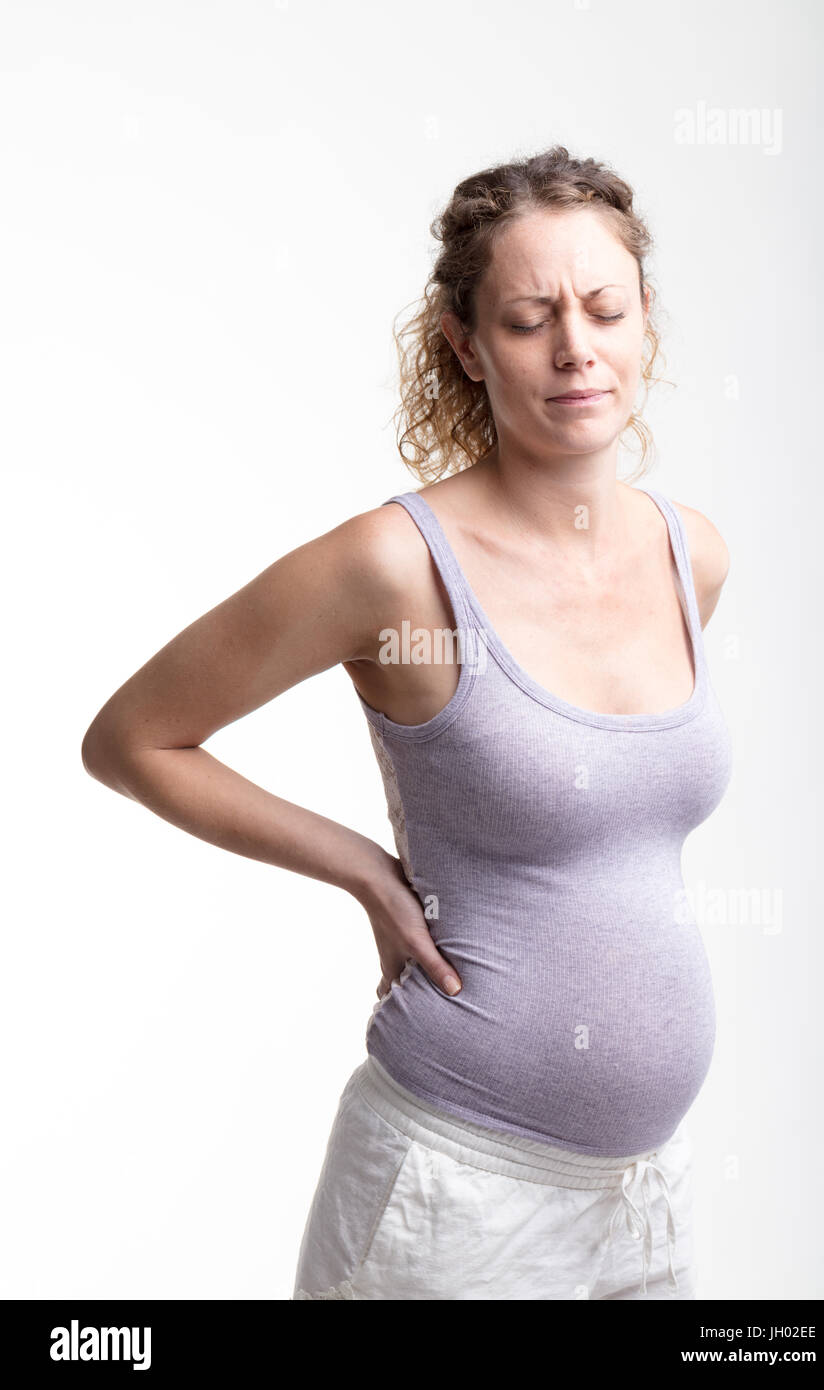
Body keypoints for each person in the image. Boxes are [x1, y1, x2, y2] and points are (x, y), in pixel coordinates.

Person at [82, 146, 733, 1300]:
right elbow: (133, 737)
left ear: (644, 324)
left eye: (603, 308)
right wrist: (370, 876)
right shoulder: (394, 566)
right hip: (452, 1195)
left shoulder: (691, 555)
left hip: (645, 1200)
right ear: (464, 344)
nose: (575, 349)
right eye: (530, 318)